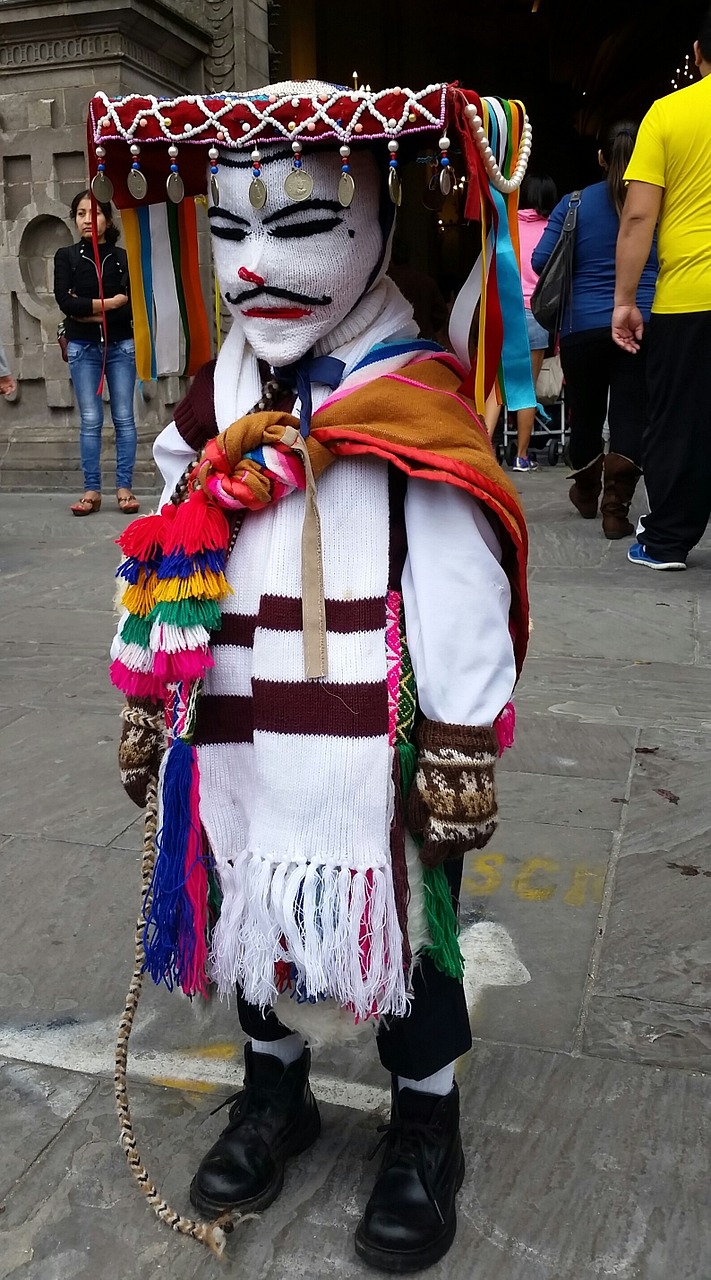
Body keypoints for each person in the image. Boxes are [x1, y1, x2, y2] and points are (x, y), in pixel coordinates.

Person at [102, 79, 530, 1271]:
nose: (253, 266)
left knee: (403, 920)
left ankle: (425, 1118)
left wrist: (458, 729)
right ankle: (273, 1087)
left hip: (371, 728)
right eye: (230, 227)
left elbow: (458, 575)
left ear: (381, 221)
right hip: (238, 723)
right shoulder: (218, 401)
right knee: (249, 895)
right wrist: (148, 682)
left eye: (297, 225)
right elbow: (171, 543)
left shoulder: (412, 398)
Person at [613, 7, 711, 570]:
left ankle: (668, 539)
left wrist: (625, 301)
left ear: (697, 53)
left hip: (687, 299)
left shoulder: (667, 115)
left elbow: (638, 219)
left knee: (681, 422)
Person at [534, 122, 658, 538]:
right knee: (630, 414)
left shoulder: (574, 205)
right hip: (641, 319)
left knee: (585, 414)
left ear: (601, 156)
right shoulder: (658, 203)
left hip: (580, 328)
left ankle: (587, 490)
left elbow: (540, 261)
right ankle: (615, 510)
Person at [53, 190, 139, 516]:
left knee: (124, 418)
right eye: (80, 213)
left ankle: (124, 488)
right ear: (74, 220)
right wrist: (108, 304)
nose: (88, 219)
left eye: (95, 213)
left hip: (120, 345)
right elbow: (65, 302)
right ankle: (91, 490)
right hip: (82, 347)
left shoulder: (122, 257)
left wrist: (86, 309)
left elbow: (127, 307)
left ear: (107, 219)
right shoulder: (67, 257)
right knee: (90, 420)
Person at [509, 172, 558, 472]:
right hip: (537, 313)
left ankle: (485, 449)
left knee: (498, 386)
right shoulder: (552, 229)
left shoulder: (508, 226)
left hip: (507, 311)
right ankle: (522, 456)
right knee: (526, 387)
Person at [387, 238, 449, 342]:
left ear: (390, 259)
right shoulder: (427, 281)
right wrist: (427, 327)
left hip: (399, 344)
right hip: (427, 341)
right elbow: (441, 313)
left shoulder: (388, 284)